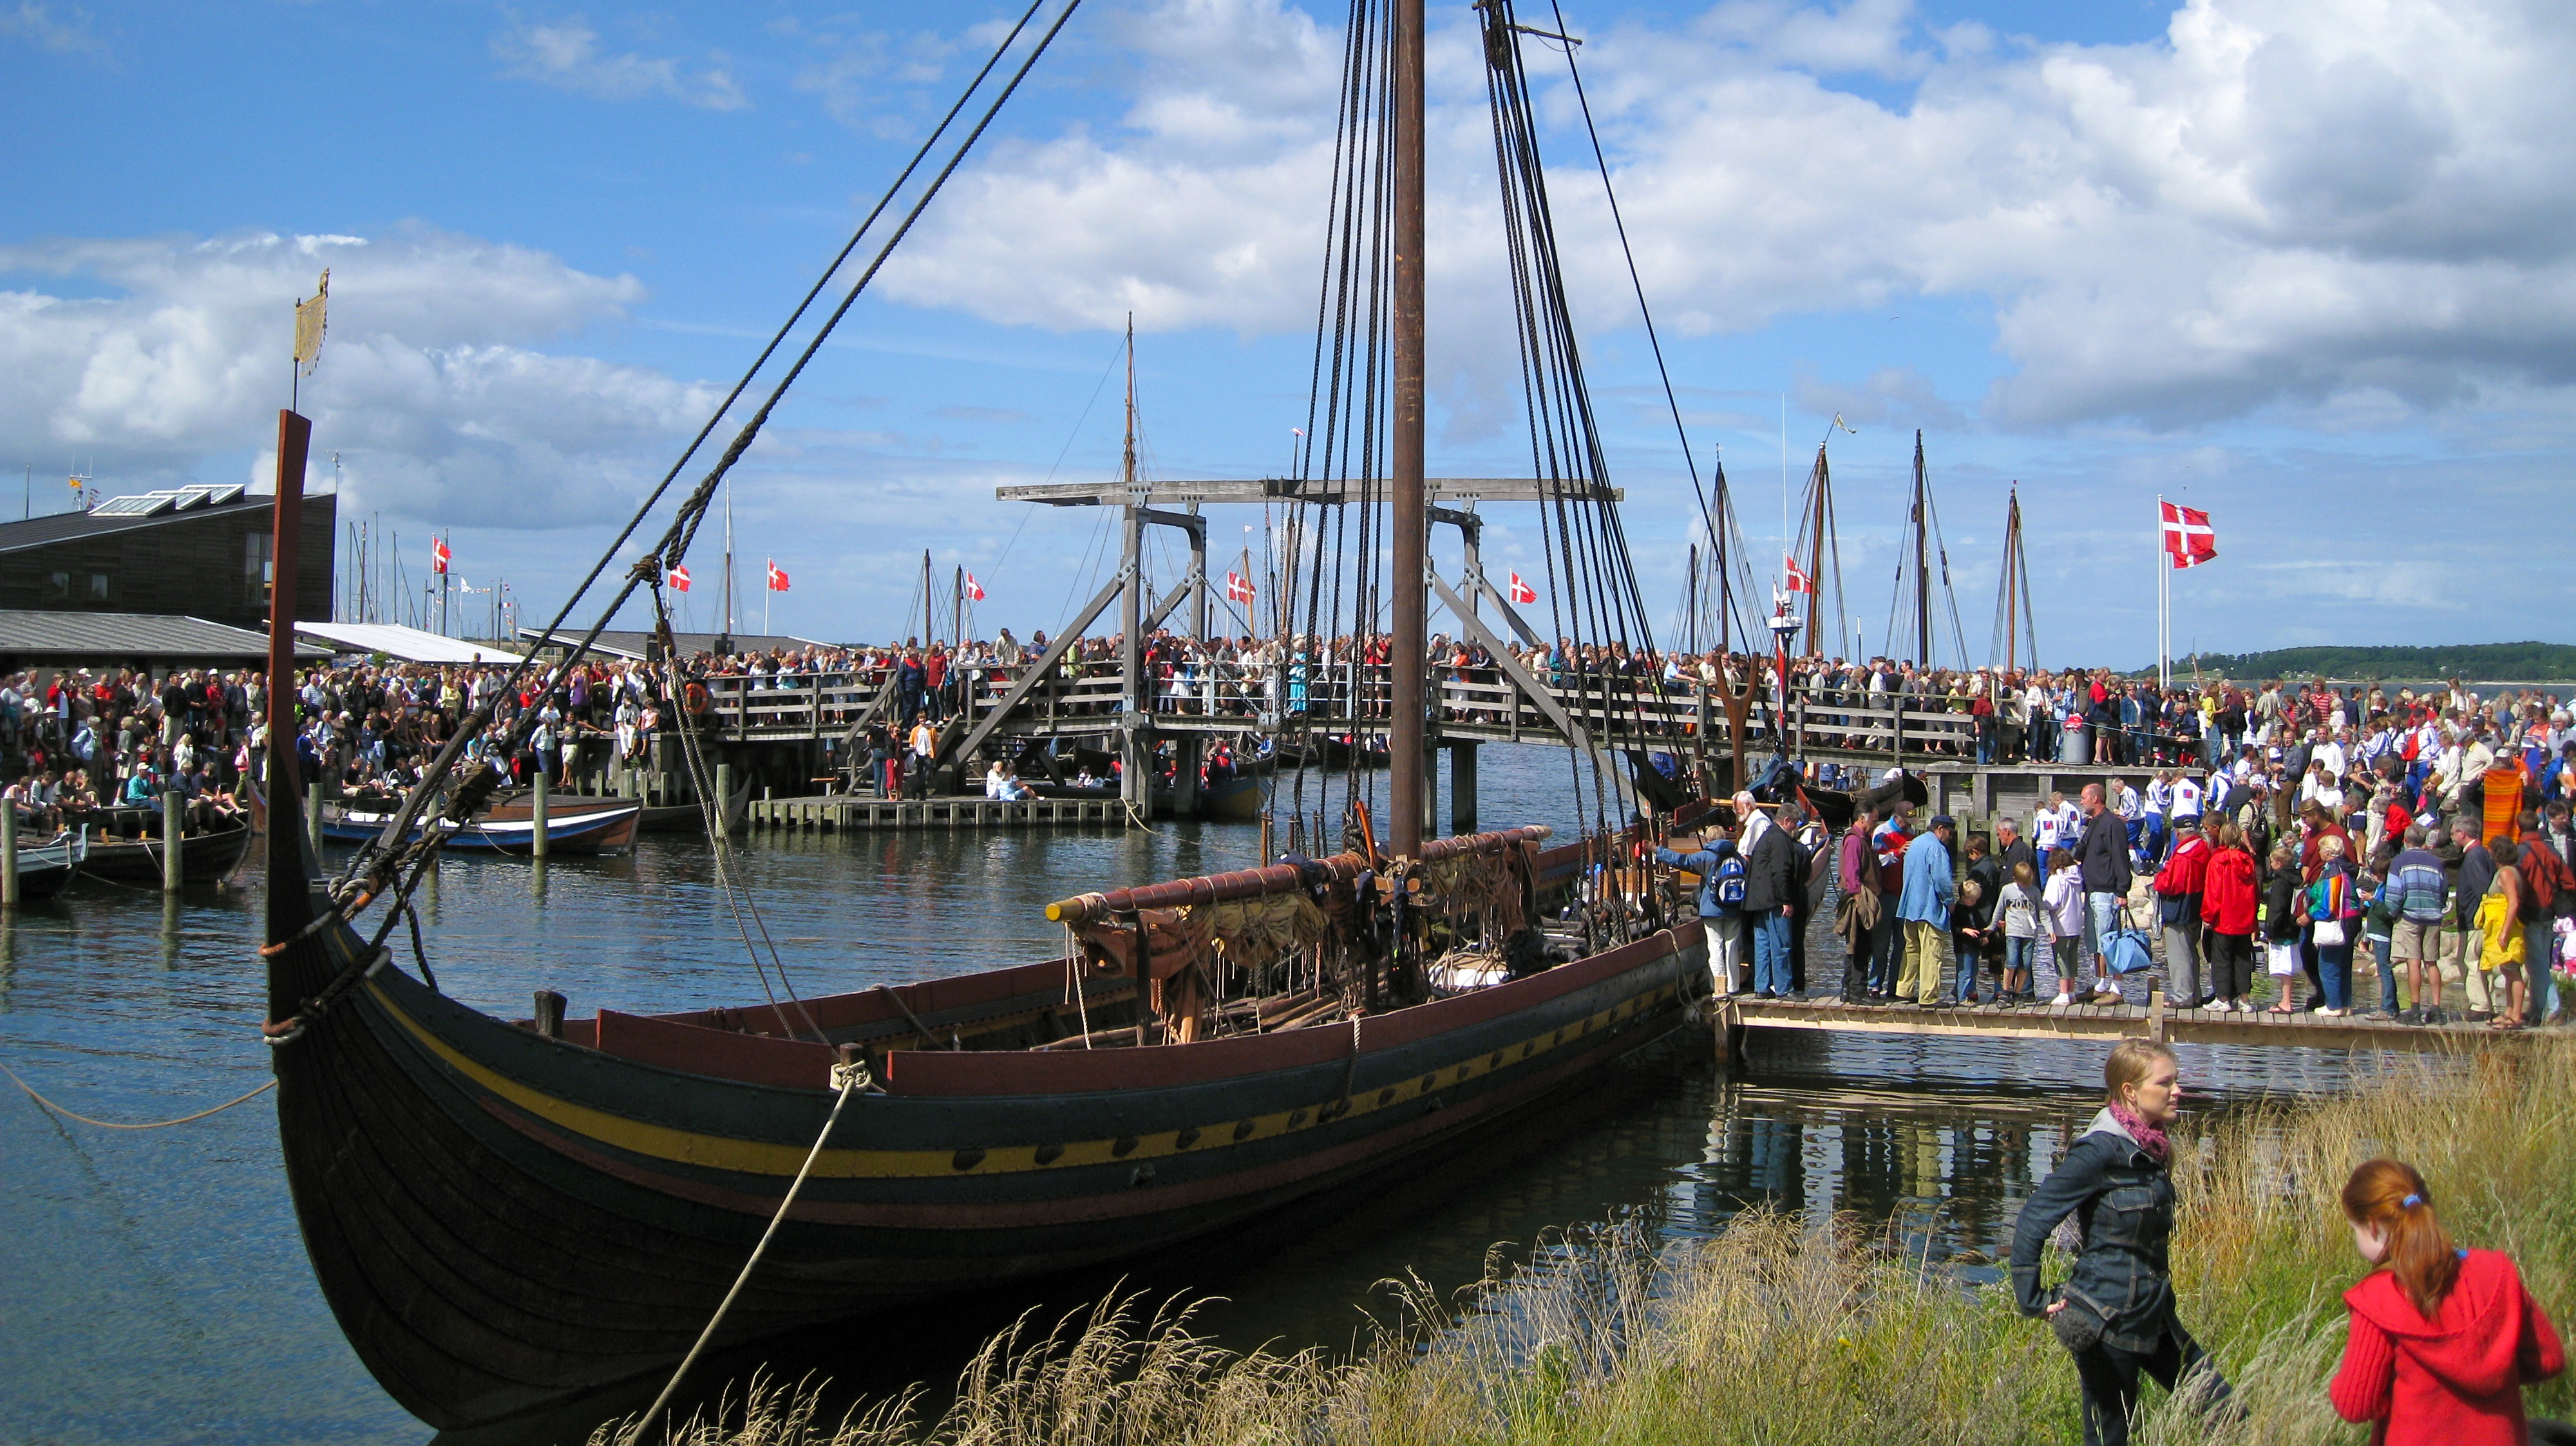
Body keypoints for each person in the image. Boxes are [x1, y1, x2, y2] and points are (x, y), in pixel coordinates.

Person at [2012, 1040, 2233, 1446]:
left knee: (2226, 1413)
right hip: (2103, 1320)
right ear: (2130, 1091)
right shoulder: (2099, 1151)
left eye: (2176, 1081)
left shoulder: (2150, 1145)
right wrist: (2033, 1299)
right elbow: (2033, 1219)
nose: (2177, 1091)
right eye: (2165, 1083)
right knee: (2108, 1438)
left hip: (2153, 1314)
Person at [2331, 1159, 2566, 1445]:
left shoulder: (2378, 1298)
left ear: (2372, 1227)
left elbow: (2355, 1406)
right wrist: (2497, 1375)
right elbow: (2549, 1359)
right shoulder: (2495, 1273)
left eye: (2354, 1229)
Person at [1656, 824, 1745, 998]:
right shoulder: (1737, 856)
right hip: (1734, 908)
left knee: (1716, 947)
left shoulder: (1706, 856)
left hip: (1712, 909)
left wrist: (1658, 850)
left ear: (1708, 839)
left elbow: (1681, 860)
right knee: (1732, 948)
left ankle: (1719, 988)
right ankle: (1733, 987)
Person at [1736, 794, 1799, 1000]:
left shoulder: (1767, 836)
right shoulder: (1780, 840)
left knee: (1762, 945)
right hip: (1774, 901)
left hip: (1758, 900)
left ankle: (1761, 987)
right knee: (1781, 944)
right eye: (1795, 823)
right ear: (1786, 821)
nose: (1796, 827)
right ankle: (1784, 988)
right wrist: (1786, 901)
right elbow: (1781, 872)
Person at [2076, 783, 2134, 1003]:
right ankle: (2101, 984)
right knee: (2095, 942)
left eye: (2084, 797)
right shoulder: (2094, 823)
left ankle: (2116, 989)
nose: (2081, 801)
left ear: (2096, 799)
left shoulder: (2112, 824)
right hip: (2092, 890)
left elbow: (2121, 857)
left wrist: (2122, 890)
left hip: (2107, 891)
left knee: (2109, 941)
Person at [2389, 825, 2451, 1025]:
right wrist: (2438, 907)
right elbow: (2444, 889)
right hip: (2433, 916)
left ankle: (2415, 1010)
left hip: (2410, 916)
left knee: (2413, 961)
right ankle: (2436, 1008)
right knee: (2432, 962)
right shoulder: (2436, 862)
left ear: (2406, 841)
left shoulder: (2399, 862)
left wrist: (2392, 912)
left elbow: (2394, 893)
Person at [1895, 813, 1958, 1006]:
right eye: (1950, 833)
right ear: (1940, 829)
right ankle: (1928, 997)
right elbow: (1942, 880)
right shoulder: (1936, 848)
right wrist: (1950, 901)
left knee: (1911, 950)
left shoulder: (1915, 843)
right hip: (1929, 910)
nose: (1950, 837)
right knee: (1932, 953)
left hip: (1909, 907)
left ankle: (1904, 990)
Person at [2199, 820, 2259, 1012]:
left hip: (2224, 918)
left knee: (2221, 959)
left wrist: (2208, 916)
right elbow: (2255, 891)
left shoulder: (2219, 860)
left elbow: (2213, 892)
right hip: (2244, 918)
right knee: (2243, 959)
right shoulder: (2247, 860)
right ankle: (2244, 1000)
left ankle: (2223, 998)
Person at [2152, 816, 2211, 1008]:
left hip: (2179, 907)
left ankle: (2183, 996)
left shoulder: (2182, 855)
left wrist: (2159, 878)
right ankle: (2195, 995)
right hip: (2197, 903)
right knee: (2191, 951)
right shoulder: (2203, 848)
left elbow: (2171, 884)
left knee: (2179, 954)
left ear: (2177, 833)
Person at [1998, 857, 2046, 1005]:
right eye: (2024, 882)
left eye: (2028, 882)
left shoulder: (2035, 892)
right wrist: (1991, 927)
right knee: (2011, 962)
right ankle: (2005, 993)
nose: (2027, 885)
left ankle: (2017, 994)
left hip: (2029, 934)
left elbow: (2043, 912)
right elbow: (1999, 910)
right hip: (2013, 932)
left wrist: (2050, 930)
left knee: (2025, 964)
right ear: (2015, 879)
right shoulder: (2007, 890)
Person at [2045, 847, 2087, 1007]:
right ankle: (2071, 992)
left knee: (2061, 958)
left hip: (2061, 924)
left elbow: (2052, 902)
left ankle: (2063, 994)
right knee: (2072, 958)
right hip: (2076, 923)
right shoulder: (2077, 875)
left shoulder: (2056, 878)